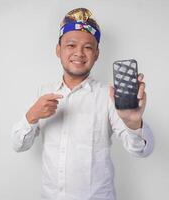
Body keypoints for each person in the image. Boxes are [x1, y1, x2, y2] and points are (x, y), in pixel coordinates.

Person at [11, 8, 154, 200]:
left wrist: (133, 123)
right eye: (71, 45)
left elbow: (142, 150)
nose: (79, 53)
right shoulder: (43, 92)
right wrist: (32, 116)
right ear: (58, 49)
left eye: (87, 47)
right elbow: (18, 145)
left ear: (96, 54)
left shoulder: (108, 96)